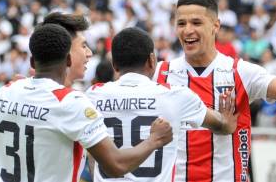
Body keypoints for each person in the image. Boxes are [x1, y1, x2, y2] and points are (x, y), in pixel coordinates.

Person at [153, 0, 276, 182]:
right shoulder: (160, 73)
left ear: (215, 25)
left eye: (196, 23)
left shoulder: (240, 71)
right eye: (181, 23)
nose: (187, 30)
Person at [0, 23, 173, 182]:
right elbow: (116, 166)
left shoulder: (5, 92)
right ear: (68, 60)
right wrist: (153, 140)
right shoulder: (71, 102)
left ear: (31, 61)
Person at [86, 27, 239, 182]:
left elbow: (91, 151)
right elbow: (221, 125)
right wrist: (227, 120)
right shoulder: (177, 96)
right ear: (152, 60)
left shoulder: (92, 96)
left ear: (114, 64)